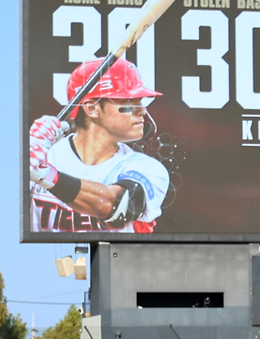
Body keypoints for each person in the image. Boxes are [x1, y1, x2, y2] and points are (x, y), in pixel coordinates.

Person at [29, 58, 170, 233]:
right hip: (44, 259)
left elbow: (120, 204)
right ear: (92, 108)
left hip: (117, 259)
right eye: (128, 102)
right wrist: (19, 158)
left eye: (140, 101)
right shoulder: (42, 155)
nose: (142, 110)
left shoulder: (147, 168)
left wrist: (47, 175)